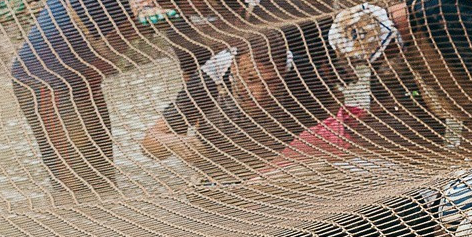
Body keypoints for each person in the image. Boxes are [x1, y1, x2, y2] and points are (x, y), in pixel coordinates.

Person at [9, 0, 252, 192]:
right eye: (207, 9)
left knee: (101, 176)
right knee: (72, 182)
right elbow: (142, 5)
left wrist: (207, 149)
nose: (203, 15)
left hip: (83, 83)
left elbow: (195, 78)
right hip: (43, 81)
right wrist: (156, 11)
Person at [322, 0, 472, 159]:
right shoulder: (405, 25)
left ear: (389, 39)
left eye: (383, 55)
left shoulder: (438, 10)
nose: (386, 61)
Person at [139, 18, 347, 177]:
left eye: (272, 83)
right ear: (235, 67)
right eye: (250, 79)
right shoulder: (209, 80)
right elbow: (149, 143)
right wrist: (176, 143)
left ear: (284, 71)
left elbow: (337, 114)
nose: (258, 94)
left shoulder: (304, 74)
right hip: (223, 174)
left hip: (288, 169)